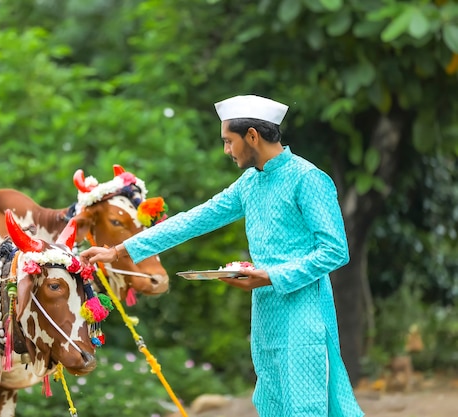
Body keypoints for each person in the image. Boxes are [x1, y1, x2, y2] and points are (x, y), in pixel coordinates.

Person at [79, 94, 364, 416]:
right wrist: (118, 250)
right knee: (271, 400)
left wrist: (271, 275)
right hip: (267, 309)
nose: (227, 150)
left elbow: (335, 250)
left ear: (252, 136)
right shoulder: (249, 183)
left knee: (307, 403)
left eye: (229, 141)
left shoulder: (308, 178)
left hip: (305, 309)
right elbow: (194, 219)